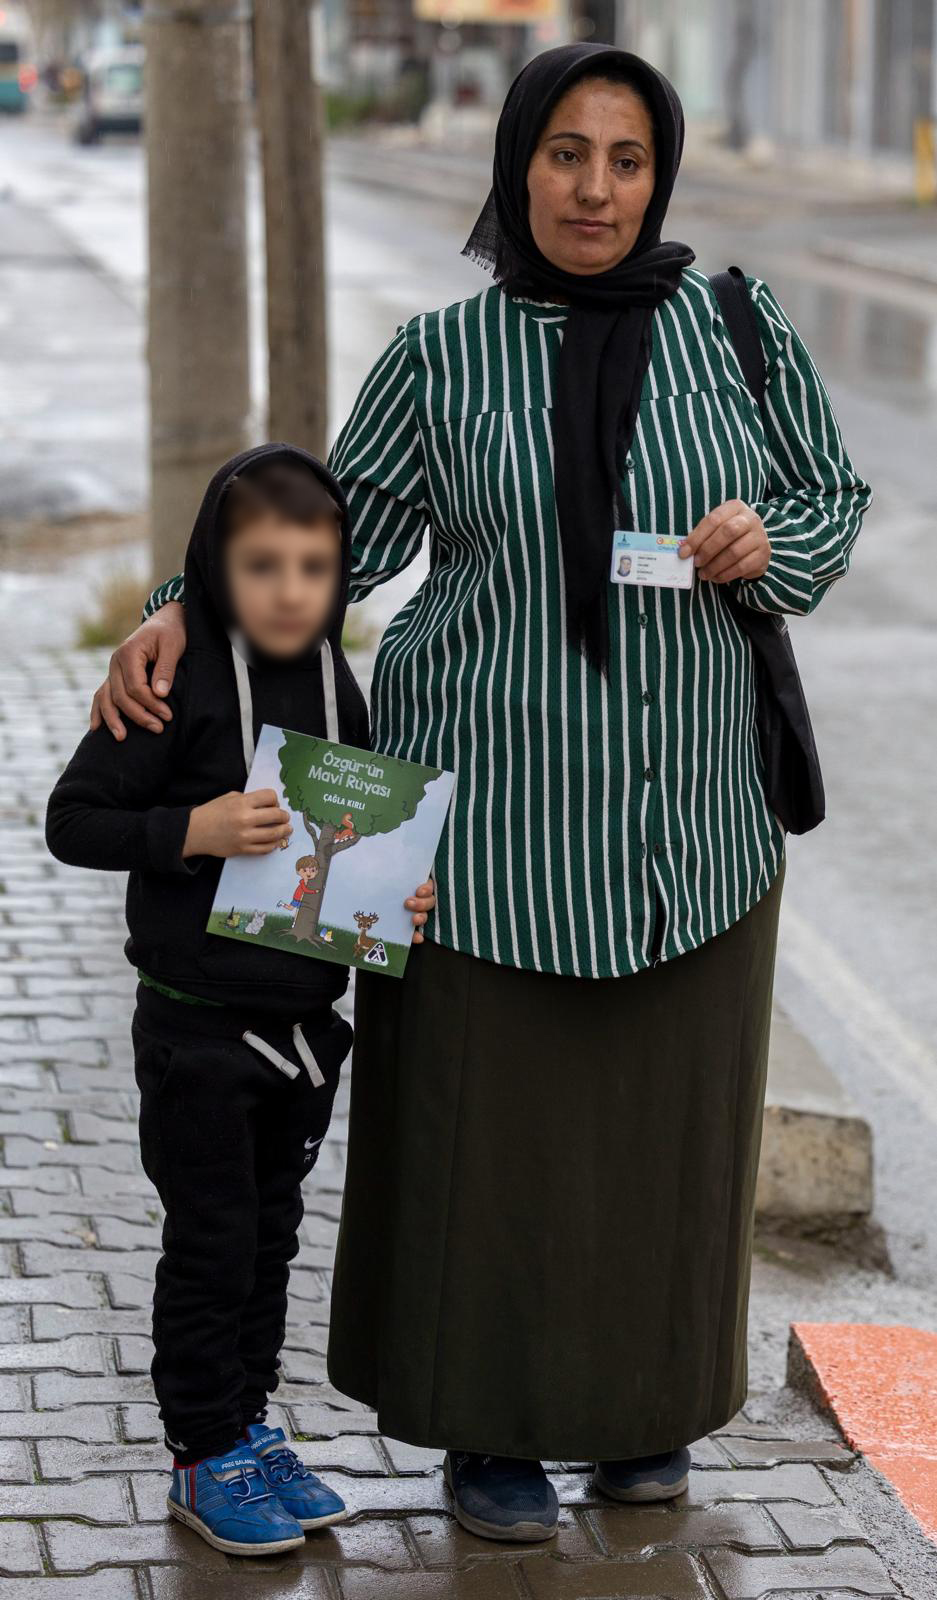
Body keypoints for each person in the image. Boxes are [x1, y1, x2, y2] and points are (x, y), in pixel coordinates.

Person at [86, 45, 873, 1547]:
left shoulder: (737, 325)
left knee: (664, 1145)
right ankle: (486, 1431)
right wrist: (186, 601)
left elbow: (829, 498)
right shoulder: (444, 358)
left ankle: (649, 1412)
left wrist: (766, 535)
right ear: (518, 165)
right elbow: (327, 531)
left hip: (690, 822)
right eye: (565, 154)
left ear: (662, 172)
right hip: (487, 825)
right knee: (485, 1147)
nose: (595, 187)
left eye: (627, 159)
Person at [46, 446, 435, 1557]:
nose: (288, 589)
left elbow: (352, 831)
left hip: (307, 1030)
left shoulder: (330, 677)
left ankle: (249, 1429)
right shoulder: (168, 684)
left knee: (270, 1244)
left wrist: (396, 888)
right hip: (198, 1032)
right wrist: (191, 832)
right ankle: (198, 1452)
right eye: (261, 564)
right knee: (210, 1245)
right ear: (213, 566)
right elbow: (73, 822)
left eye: (314, 566)